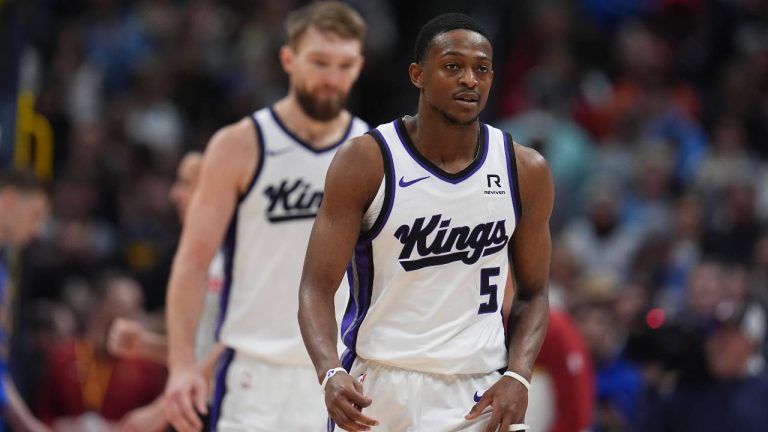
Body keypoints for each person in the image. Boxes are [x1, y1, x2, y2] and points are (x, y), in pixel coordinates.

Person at [299, 13, 554, 432]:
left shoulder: (524, 169)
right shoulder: (367, 161)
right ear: (418, 75)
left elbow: (535, 291)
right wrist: (329, 371)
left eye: (481, 68)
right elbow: (315, 286)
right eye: (453, 66)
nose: (470, 79)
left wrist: (519, 374)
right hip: (380, 385)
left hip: (479, 390)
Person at [163, 2, 368, 431]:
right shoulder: (240, 145)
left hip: (339, 373)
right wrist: (181, 366)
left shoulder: (371, 152)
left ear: (359, 67)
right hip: (253, 373)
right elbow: (193, 260)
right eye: (319, 62)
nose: (332, 77)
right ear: (289, 59)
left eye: (344, 65)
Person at [105, 152, 224, 432]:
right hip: (206, 408)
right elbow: (203, 350)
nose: (174, 194)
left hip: (240, 409)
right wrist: (145, 345)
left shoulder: (238, 253)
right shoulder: (200, 254)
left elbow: (236, 344)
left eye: (185, 183)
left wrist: (162, 410)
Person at [0, 168, 51, 432]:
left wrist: (24, 420)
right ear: (8, 199)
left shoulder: (5, 269)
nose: (36, 229)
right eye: (35, 215)